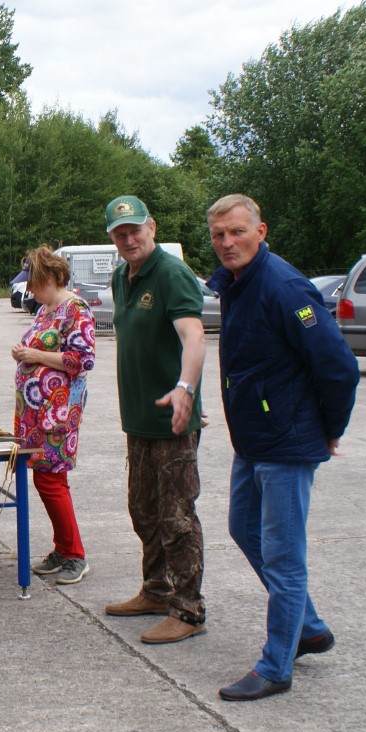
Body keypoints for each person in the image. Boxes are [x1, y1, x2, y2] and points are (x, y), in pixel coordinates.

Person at [204, 194, 359, 701]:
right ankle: (308, 629)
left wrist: (330, 429)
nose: (227, 242)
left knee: (284, 558)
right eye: (219, 234)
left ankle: (276, 666)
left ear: (261, 231)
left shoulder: (284, 287)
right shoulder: (236, 283)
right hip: (254, 438)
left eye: (237, 231)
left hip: (287, 443)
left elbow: (340, 367)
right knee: (243, 527)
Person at [102, 195, 209, 645]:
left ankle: (188, 610)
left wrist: (187, 388)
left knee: (176, 518)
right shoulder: (121, 277)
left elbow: (194, 336)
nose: (129, 239)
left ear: (152, 227)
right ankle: (156, 590)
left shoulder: (171, 273)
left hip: (172, 422)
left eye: (135, 230)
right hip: (138, 420)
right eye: (119, 234)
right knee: (143, 510)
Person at [10, 246, 96, 585]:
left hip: (58, 413)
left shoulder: (75, 309)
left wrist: (35, 355)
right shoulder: (46, 310)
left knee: (51, 479)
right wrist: (22, 353)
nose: (29, 290)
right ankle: (63, 549)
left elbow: (82, 359)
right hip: (36, 412)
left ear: (51, 277)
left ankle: (75, 555)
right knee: (45, 479)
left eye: (32, 283)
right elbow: (39, 348)